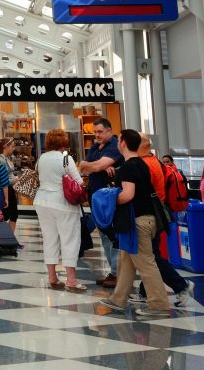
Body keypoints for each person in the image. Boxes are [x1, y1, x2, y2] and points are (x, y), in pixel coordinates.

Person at [97, 129, 172, 318]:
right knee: (126, 261)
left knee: (146, 263)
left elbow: (128, 195)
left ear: (123, 143)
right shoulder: (141, 164)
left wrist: (108, 198)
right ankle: (118, 300)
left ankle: (159, 305)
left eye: (119, 139)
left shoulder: (130, 166)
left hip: (138, 222)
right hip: (141, 219)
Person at [137, 136, 193, 308]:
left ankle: (181, 286)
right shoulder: (154, 161)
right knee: (150, 255)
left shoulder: (146, 165)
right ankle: (144, 292)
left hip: (152, 213)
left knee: (151, 257)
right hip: (159, 213)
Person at [34, 128, 86, 292]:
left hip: (42, 201)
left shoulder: (41, 158)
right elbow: (78, 182)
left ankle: (52, 277)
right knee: (69, 239)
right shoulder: (66, 159)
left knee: (49, 238)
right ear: (63, 143)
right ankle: (71, 279)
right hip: (63, 202)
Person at [78, 117, 122, 288]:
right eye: (95, 132)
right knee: (104, 236)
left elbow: (93, 167)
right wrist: (90, 165)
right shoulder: (96, 147)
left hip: (111, 199)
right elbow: (82, 167)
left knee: (113, 236)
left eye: (100, 132)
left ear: (109, 130)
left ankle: (118, 274)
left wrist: (93, 165)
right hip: (97, 199)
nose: (96, 135)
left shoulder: (114, 146)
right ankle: (113, 271)